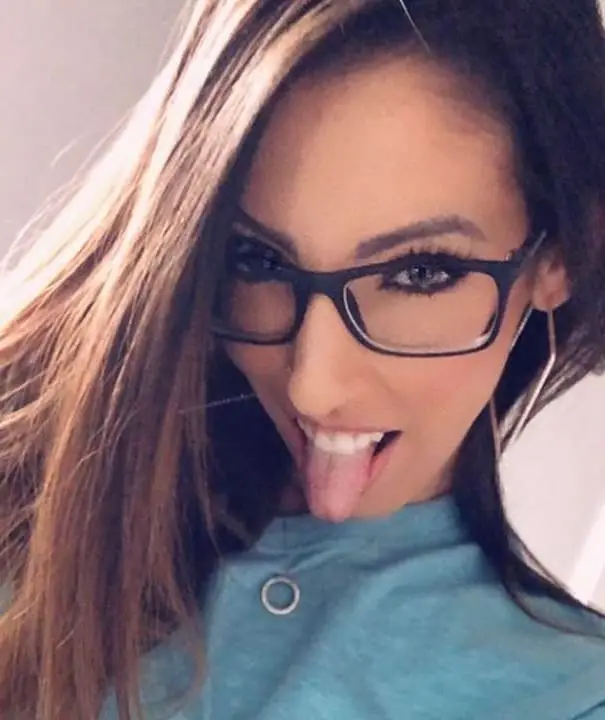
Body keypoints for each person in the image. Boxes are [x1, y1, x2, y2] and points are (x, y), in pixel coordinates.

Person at [2, 0, 605, 717]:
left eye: (418, 272)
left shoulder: (570, 694)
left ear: (558, 257)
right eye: (258, 260)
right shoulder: (33, 496)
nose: (311, 386)